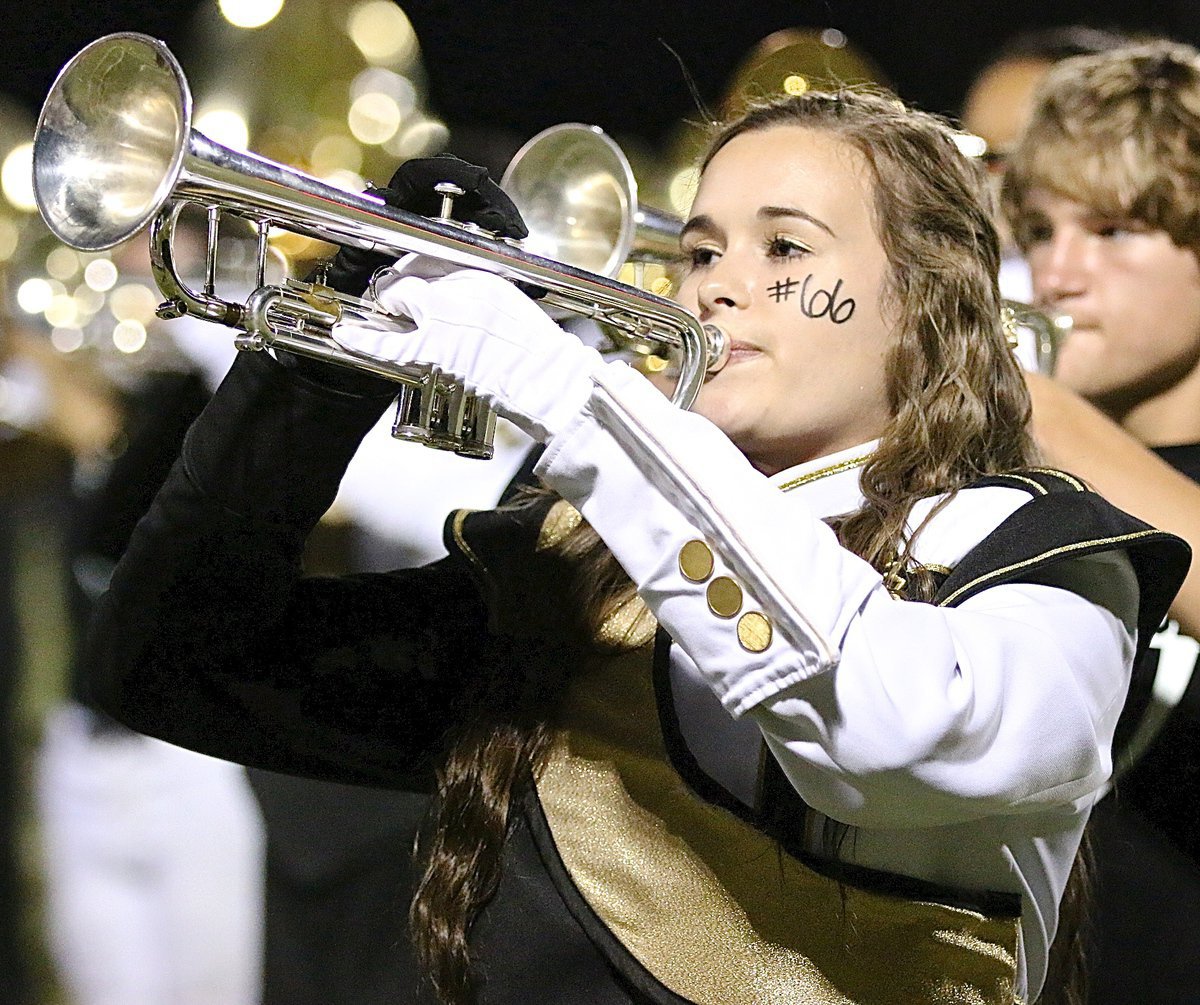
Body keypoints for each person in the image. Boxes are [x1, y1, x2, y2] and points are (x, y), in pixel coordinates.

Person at [84, 90, 1187, 1005]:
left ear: (927, 303)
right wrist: (320, 368)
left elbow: (886, 729)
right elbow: (175, 663)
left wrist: (576, 397)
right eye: (701, 249)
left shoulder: (1048, 561)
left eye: (785, 247)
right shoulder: (583, 563)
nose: (714, 282)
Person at [1002, 38, 1200, 1002]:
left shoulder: (1048, 428)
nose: (1057, 275)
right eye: (1039, 230)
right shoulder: (1021, 464)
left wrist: (1035, 405)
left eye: (1114, 229)